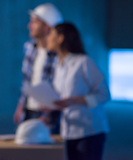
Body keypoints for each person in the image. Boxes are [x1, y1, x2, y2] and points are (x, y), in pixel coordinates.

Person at [46, 22, 110, 160]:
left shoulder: (84, 62)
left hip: (90, 131)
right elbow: (61, 97)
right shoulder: (59, 64)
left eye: (51, 34)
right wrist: (49, 105)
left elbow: (104, 94)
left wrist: (74, 101)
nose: (48, 38)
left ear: (60, 38)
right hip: (68, 131)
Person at [13, 3, 63, 134]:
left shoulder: (60, 54)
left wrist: (50, 115)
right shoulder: (29, 47)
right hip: (28, 109)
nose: (29, 26)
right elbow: (27, 80)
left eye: (34, 22)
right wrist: (20, 106)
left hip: (49, 114)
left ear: (47, 27)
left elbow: (62, 89)